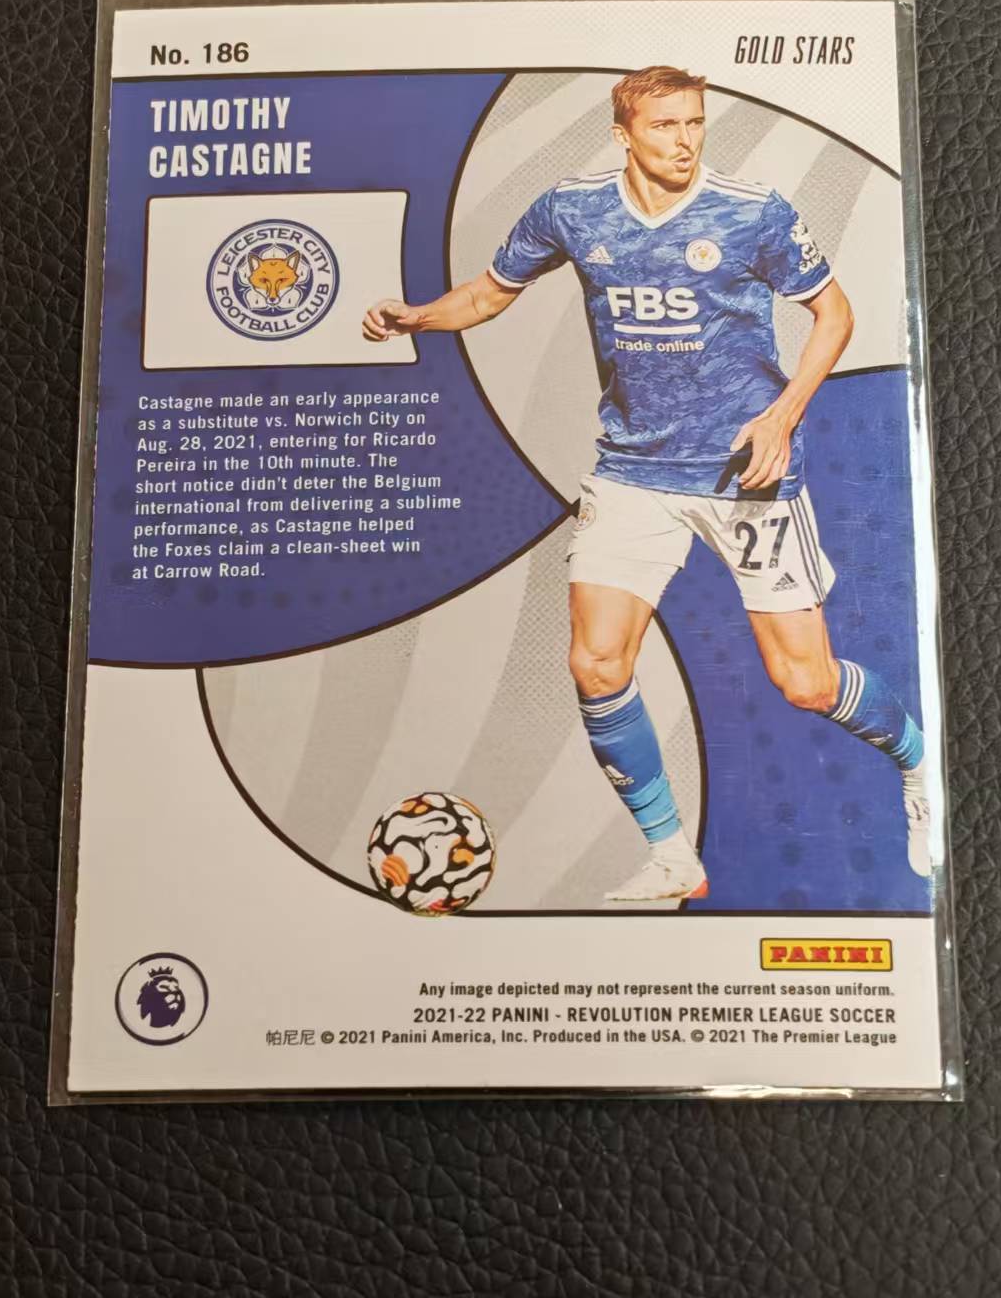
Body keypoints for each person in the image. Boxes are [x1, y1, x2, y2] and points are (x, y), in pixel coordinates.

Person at [363, 66, 930, 900]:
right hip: (632, 471)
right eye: (664, 125)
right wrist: (416, 316)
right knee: (596, 664)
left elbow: (833, 314)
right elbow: (487, 295)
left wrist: (780, 417)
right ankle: (672, 855)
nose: (684, 140)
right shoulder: (571, 208)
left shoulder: (751, 211)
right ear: (621, 133)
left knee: (805, 684)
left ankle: (917, 764)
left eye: (694, 123)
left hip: (744, 474)